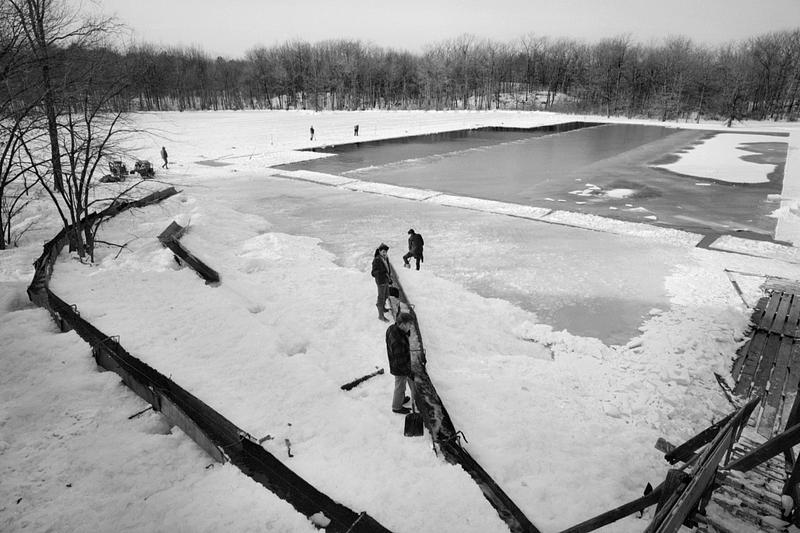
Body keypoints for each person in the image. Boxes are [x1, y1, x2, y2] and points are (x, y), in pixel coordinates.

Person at [386, 312, 416, 414]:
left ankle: (400, 399)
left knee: (401, 385)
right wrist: (408, 372)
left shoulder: (392, 328)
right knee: (400, 386)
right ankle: (397, 407)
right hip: (399, 367)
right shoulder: (398, 341)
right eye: (409, 325)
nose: (410, 327)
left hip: (395, 362)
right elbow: (400, 361)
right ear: (402, 324)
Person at [371, 243, 392, 322]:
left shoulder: (385, 258)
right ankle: (381, 316)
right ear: (379, 251)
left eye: (385, 252)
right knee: (381, 298)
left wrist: (388, 276)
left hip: (386, 280)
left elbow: (388, 269)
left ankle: (382, 308)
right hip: (381, 281)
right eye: (383, 251)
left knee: (386, 295)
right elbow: (373, 273)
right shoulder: (377, 260)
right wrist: (380, 272)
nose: (384, 253)